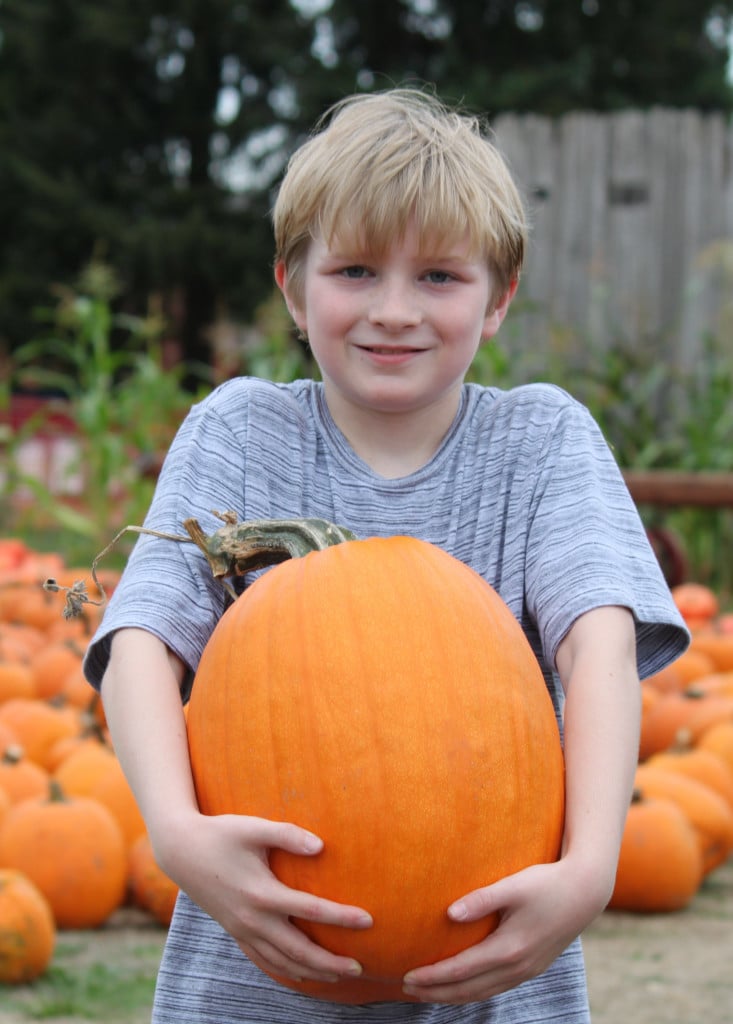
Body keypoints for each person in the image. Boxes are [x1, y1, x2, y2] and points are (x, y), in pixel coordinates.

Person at [84, 87, 689, 1023]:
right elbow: (140, 643)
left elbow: (595, 645)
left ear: (497, 299)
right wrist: (175, 834)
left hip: (490, 962)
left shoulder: (540, 444)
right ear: (292, 285)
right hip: (258, 962)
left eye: (440, 277)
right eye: (356, 271)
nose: (394, 311)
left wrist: (589, 868)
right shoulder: (242, 433)